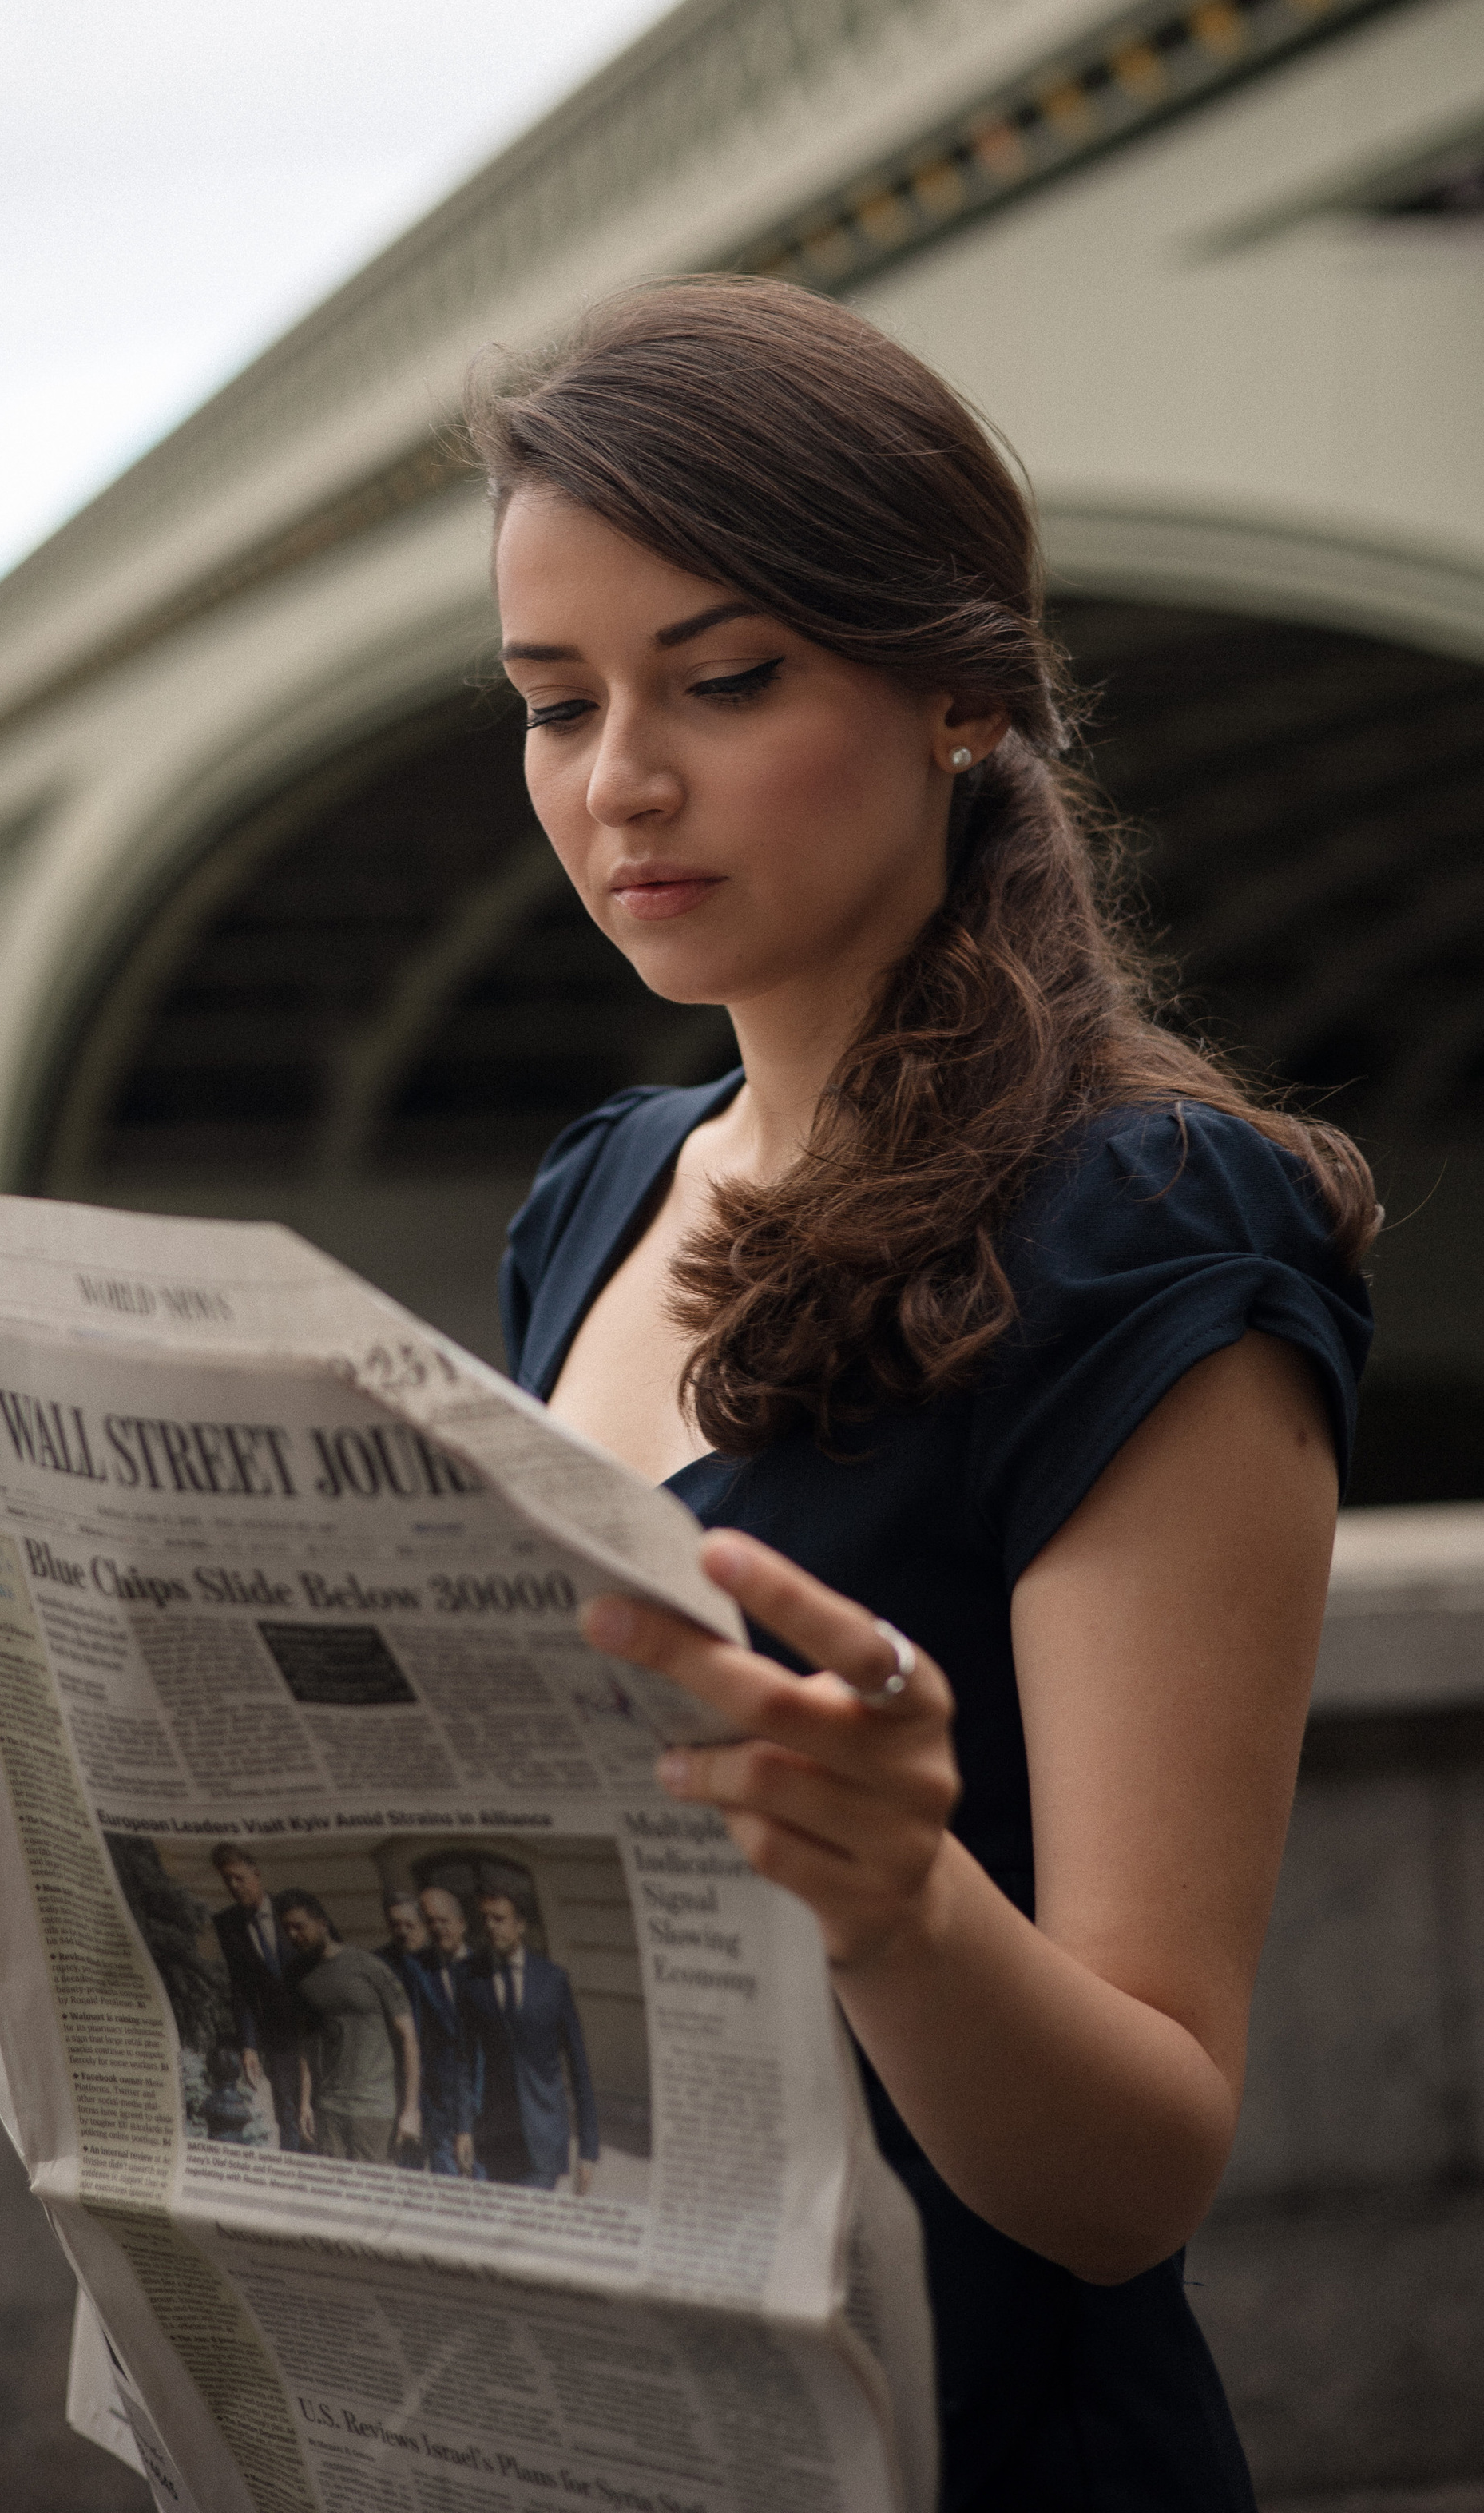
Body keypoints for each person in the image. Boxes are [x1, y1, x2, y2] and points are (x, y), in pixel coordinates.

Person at [476, 277, 1375, 2511]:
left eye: (725, 679)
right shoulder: (600, 1185)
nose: (618, 782)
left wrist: (899, 1901)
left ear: (962, 689)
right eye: (552, 703)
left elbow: (1136, 2167)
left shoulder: (1149, 1222)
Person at [462, 1888, 598, 2193]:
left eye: (500, 1919)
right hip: (494, 2136)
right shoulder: (472, 1980)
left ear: (520, 1925)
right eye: (485, 1919)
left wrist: (588, 2151)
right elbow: (464, 2062)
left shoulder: (553, 1980)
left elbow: (579, 2068)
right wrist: (463, 2126)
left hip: (544, 2134)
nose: (491, 1927)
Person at [279, 1891, 423, 2164]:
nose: (294, 1935)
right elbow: (306, 2041)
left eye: (300, 1926)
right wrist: (305, 2101)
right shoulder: (297, 1977)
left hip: (375, 2110)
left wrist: (411, 2109)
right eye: (287, 1929)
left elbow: (409, 2038)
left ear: (322, 1923)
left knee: (375, 2196)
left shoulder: (369, 1967)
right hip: (329, 2108)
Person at [208, 1844, 306, 2152]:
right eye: (227, 1880)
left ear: (257, 1875)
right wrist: (248, 2044)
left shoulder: (292, 1912)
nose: (234, 1886)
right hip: (279, 2037)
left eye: (239, 1877)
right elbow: (242, 1988)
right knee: (288, 2113)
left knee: (319, 2113)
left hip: (314, 2030)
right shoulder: (228, 1924)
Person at [411, 1886, 484, 2176]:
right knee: (446, 2186)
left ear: (462, 1923)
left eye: (444, 1920)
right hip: (439, 2101)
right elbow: (415, 2039)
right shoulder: (418, 1969)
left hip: (483, 2103)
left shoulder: (485, 1968)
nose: (438, 1928)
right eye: (430, 1922)